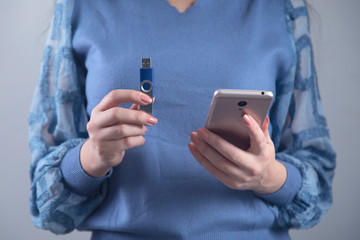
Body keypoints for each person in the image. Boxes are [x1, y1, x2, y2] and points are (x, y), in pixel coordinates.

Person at [28, 0, 336, 239]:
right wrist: (90, 159)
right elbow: (46, 205)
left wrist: (268, 176)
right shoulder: (81, 6)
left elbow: (318, 186)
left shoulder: (277, 8)